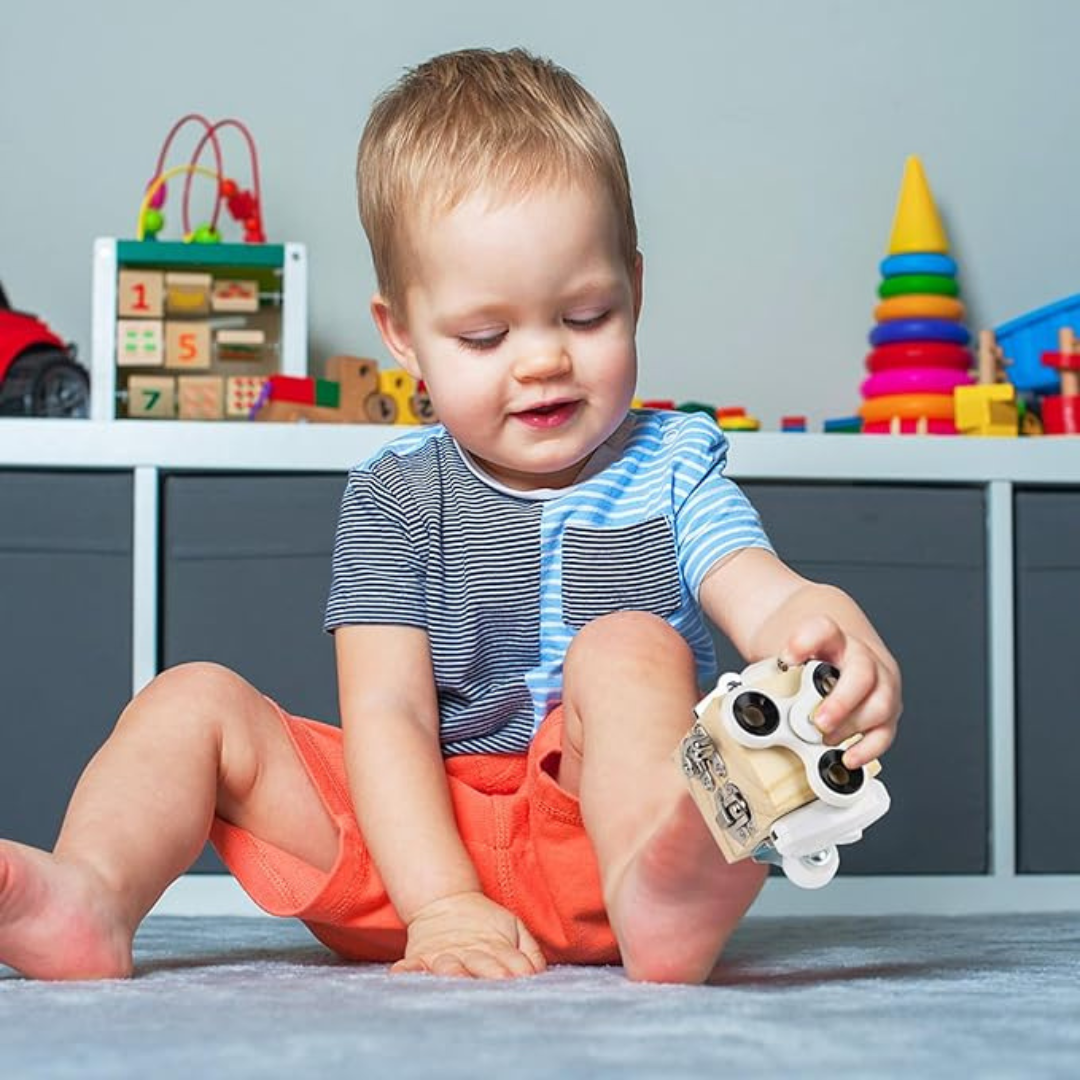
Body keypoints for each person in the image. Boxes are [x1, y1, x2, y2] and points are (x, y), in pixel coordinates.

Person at [0, 47, 901, 985]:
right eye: (485, 335)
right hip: (411, 845)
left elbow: (756, 587)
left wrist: (818, 627)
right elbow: (386, 714)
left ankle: (657, 900)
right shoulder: (393, 494)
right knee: (191, 699)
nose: (544, 360)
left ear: (637, 286)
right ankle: (90, 896)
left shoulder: (674, 464)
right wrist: (441, 901)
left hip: (598, 838)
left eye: (588, 316)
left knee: (632, 644)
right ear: (404, 338)